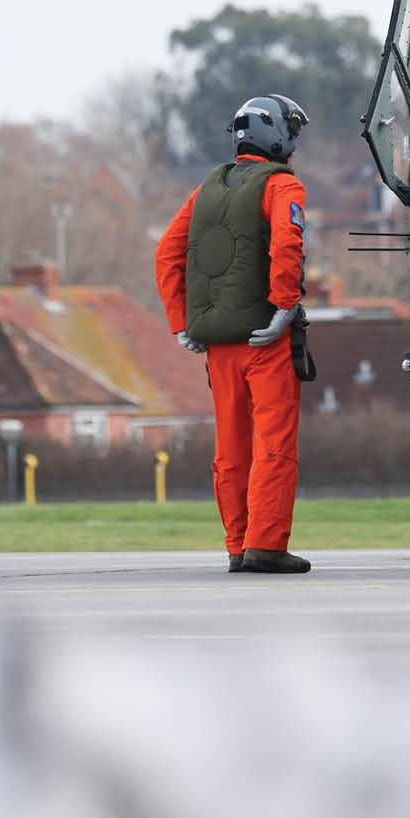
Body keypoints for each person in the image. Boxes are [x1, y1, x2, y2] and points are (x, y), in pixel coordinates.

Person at [155, 95, 312, 574]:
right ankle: (265, 545)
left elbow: (167, 253)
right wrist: (285, 307)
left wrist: (182, 324)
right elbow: (289, 243)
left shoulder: (205, 190)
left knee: (231, 449)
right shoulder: (282, 185)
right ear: (278, 138)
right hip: (264, 340)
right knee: (273, 442)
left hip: (216, 347)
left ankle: (238, 544)